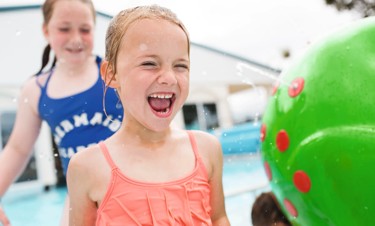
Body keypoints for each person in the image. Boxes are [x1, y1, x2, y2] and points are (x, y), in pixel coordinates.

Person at [67, 4, 231, 226]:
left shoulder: (206, 149)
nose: (169, 78)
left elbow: (218, 217)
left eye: (180, 66)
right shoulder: (87, 167)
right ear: (111, 74)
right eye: (149, 64)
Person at [0, 0, 123, 225]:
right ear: (46, 30)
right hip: (78, 197)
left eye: (84, 30)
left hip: (130, 185)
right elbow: (17, 149)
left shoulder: (116, 74)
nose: (76, 39)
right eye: (64, 29)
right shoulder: (36, 90)